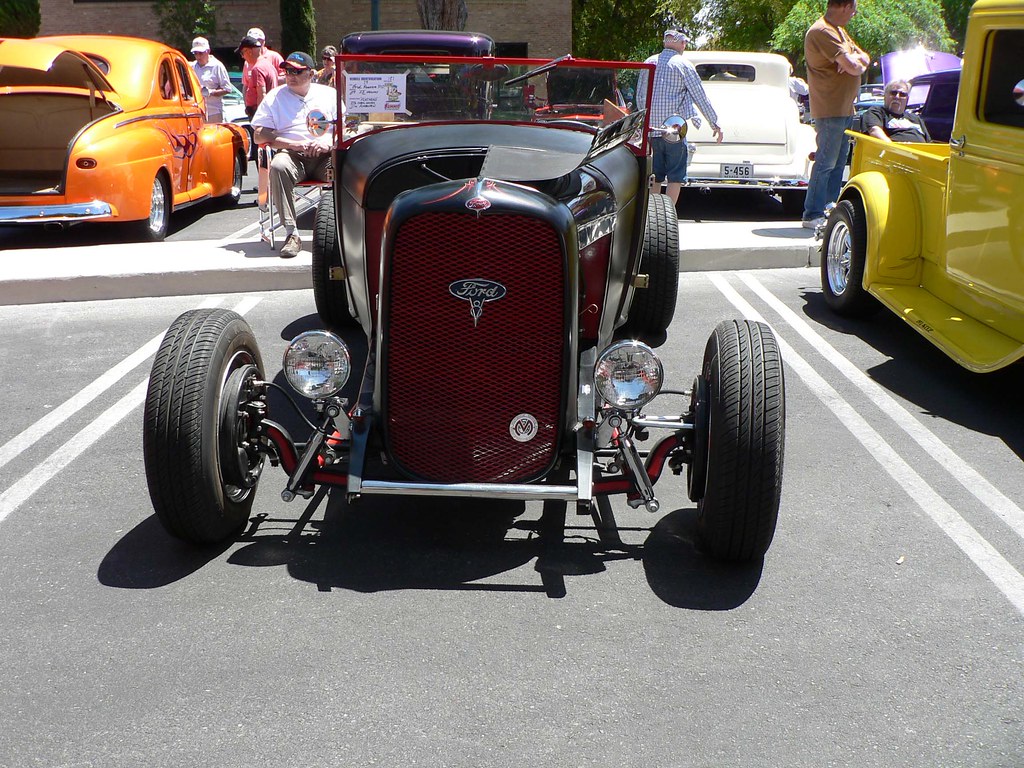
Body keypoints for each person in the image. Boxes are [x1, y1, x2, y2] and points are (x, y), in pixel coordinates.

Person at [252, 51, 340, 258]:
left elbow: (349, 127)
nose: (290, 75)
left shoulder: (328, 95)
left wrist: (327, 143)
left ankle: (343, 230)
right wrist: (293, 144)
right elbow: (258, 134)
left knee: (349, 165)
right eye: (287, 70)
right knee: (278, 166)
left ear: (311, 74)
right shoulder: (275, 96)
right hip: (292, 156)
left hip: (325, 157)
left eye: (296, 71)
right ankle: (292, 233)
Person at [635, 29, 724, 206]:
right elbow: (700, 96)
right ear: (679, 43)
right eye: (684, 43)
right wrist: (715, 124)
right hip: (673, 131)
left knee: (655, 177)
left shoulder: (649, 62)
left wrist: (643, 123)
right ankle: (668, 216)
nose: (685, 46)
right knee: (675, 177)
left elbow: (639, 95)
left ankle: (652, 217)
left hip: (650, 130)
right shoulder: (683, 65)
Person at [802, 0, 870, 228]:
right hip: (829, 109)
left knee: (839, 162)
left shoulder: (839, 31)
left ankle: (829, 208)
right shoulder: (822, 31)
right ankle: (812, 214)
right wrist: (853, 64)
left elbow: (864, 58)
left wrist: (855, 61)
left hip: (844, 109)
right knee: (825, 162)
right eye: (854, 9)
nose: (854, 14)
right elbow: (853, 66)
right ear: (844, 6)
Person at [862, 80, 931, 142]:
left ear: (907, 99)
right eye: (893, 93)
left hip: (921, 153)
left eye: (902, 94)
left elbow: (929, 142)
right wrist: (894, 148)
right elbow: (875, 132)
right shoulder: (876, 112)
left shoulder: (916, 119)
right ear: (885, 96)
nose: (897, 97)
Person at [189, 37, 231, 123]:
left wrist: (210, 92)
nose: (198, 56)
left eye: (200, 53)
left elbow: (227, 89)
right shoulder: (192, 66)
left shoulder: (217, 66)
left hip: (214, 112)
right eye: (195, 53)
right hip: (197, 112)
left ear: (208, 51)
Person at [238, 34, 277, 119]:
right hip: (270, 111)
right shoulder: (268, 64)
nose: (242, 57)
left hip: (260, 114)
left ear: (249, 51)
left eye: (242, 53)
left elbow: (262, 94)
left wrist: (260, 118)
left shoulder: (258, 68)